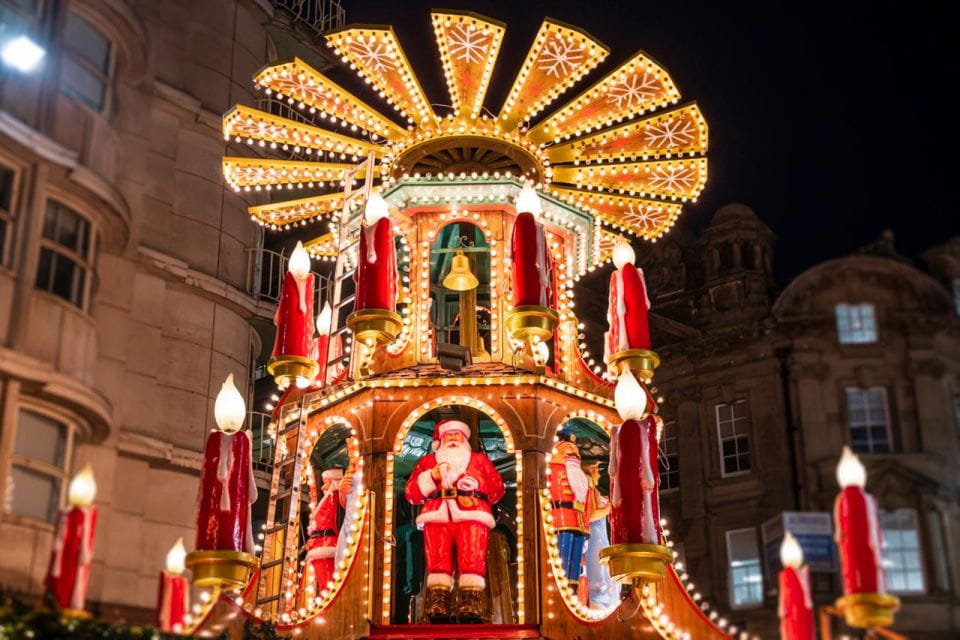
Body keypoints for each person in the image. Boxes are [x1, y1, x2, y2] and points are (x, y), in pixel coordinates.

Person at [404, 419, 505, 623]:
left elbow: (497, 489)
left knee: (472, 557)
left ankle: (471, 602)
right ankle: (438, 602)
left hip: (472, 513)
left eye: (457, 434)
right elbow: (411, 493)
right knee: (437, 559)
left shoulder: (479, 460)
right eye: (448, 435)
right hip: (437, 514)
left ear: (465, 438)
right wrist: (430, 477)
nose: (452, 438)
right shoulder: (427, 462)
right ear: (439, 440)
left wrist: (477, 486)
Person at [548, 429, 591, 593]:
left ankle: (573, 588)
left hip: (580, 521)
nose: (574, 453)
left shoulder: (579, 475)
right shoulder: (552, 469)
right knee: (563, 555)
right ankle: (561, 589)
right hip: (561, 518)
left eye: (576, 450)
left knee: (576, 558)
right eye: (568, 449)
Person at [583, 461, 617, 608]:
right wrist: (609, 507)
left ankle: (605, 596)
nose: (599, 473)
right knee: (597, 567)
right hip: (594, 535)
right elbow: (591, 514)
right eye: (596, 469)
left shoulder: (594, 491)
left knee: (603, 567)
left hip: (600, 534)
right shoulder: (588, 489)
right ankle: (598, 597)